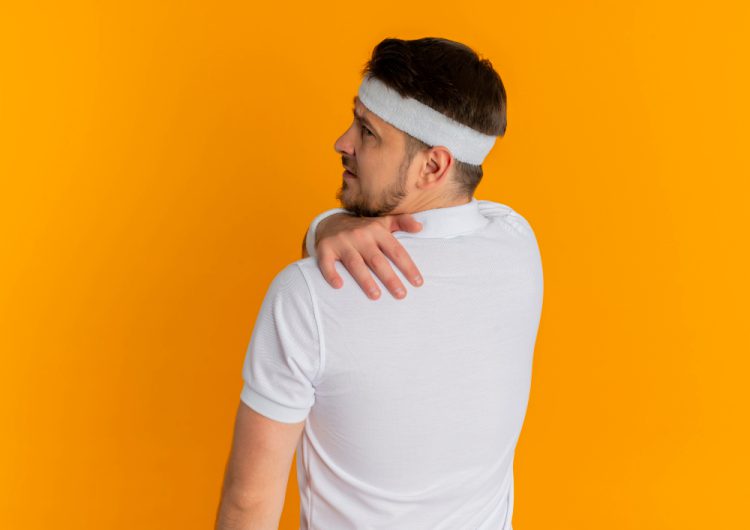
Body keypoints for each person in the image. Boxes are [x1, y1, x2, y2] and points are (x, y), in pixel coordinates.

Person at [216, 37, 544, 530]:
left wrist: (324, 227)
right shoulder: (518, 245)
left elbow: (248, 503)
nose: (342, 142)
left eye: (368, 133)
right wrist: (327, 226)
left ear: (433, 165)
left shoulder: (308, 294)